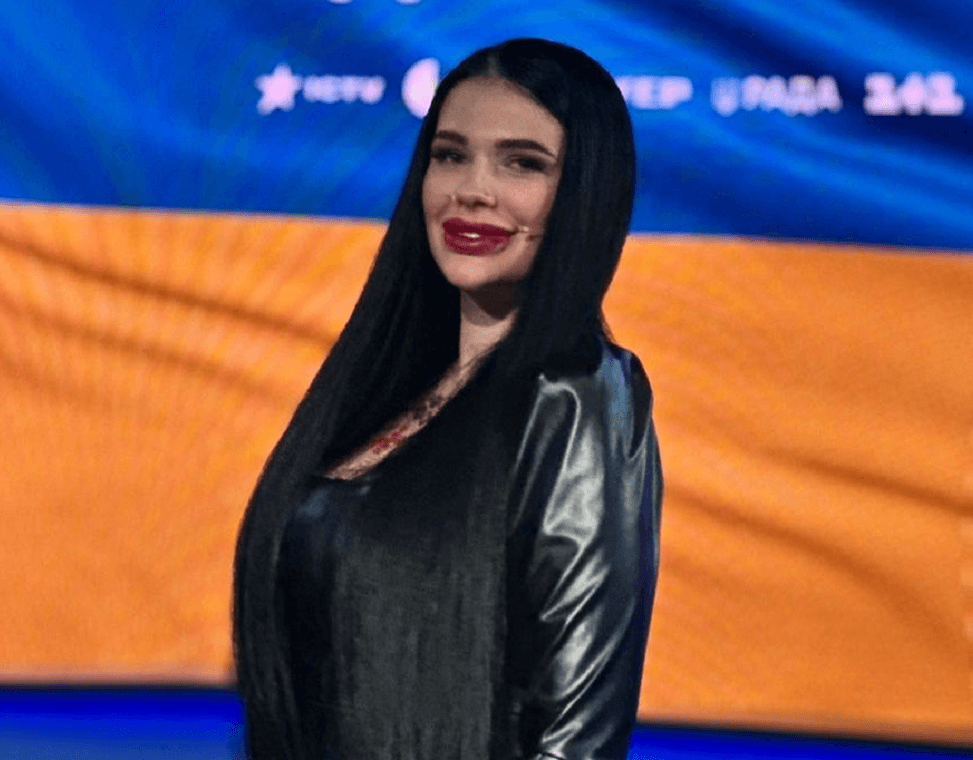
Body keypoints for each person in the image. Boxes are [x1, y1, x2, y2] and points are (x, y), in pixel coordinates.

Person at [233, 38, 661, 760]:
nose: (473, 189)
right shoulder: (383, 386)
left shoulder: (579, 395)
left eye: (522, 163)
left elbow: (574, 738)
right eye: (451, 155)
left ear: (585, 192)